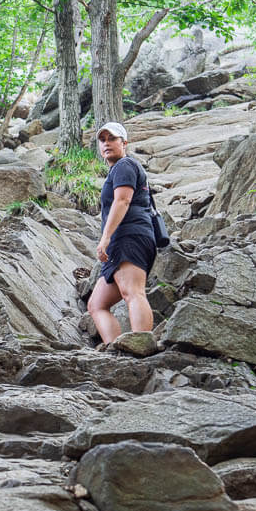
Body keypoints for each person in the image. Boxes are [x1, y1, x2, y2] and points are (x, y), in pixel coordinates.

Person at [87, 121, 156, 345]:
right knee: (96, 304)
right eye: (102, 140)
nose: (106, 143)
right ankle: (116, 349)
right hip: (121, 241)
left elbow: (123, 200)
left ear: (124, 143)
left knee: (133, 292)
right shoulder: (117, 169)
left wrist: (105, 238)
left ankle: (141, 346)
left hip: (130, 236)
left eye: (112, 139)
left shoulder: (125, 165)